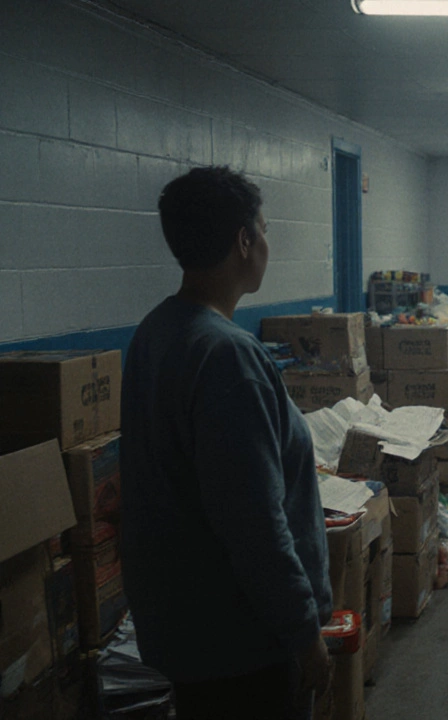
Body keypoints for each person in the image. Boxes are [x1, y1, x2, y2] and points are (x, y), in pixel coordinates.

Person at [119, 166, 332, 719]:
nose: (266, 241)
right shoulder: (228, 356)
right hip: (242, 644)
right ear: (244, 241)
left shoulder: (156, 332)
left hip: (184, 628)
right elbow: (256, 524)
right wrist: (306, 637)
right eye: (263, 228)